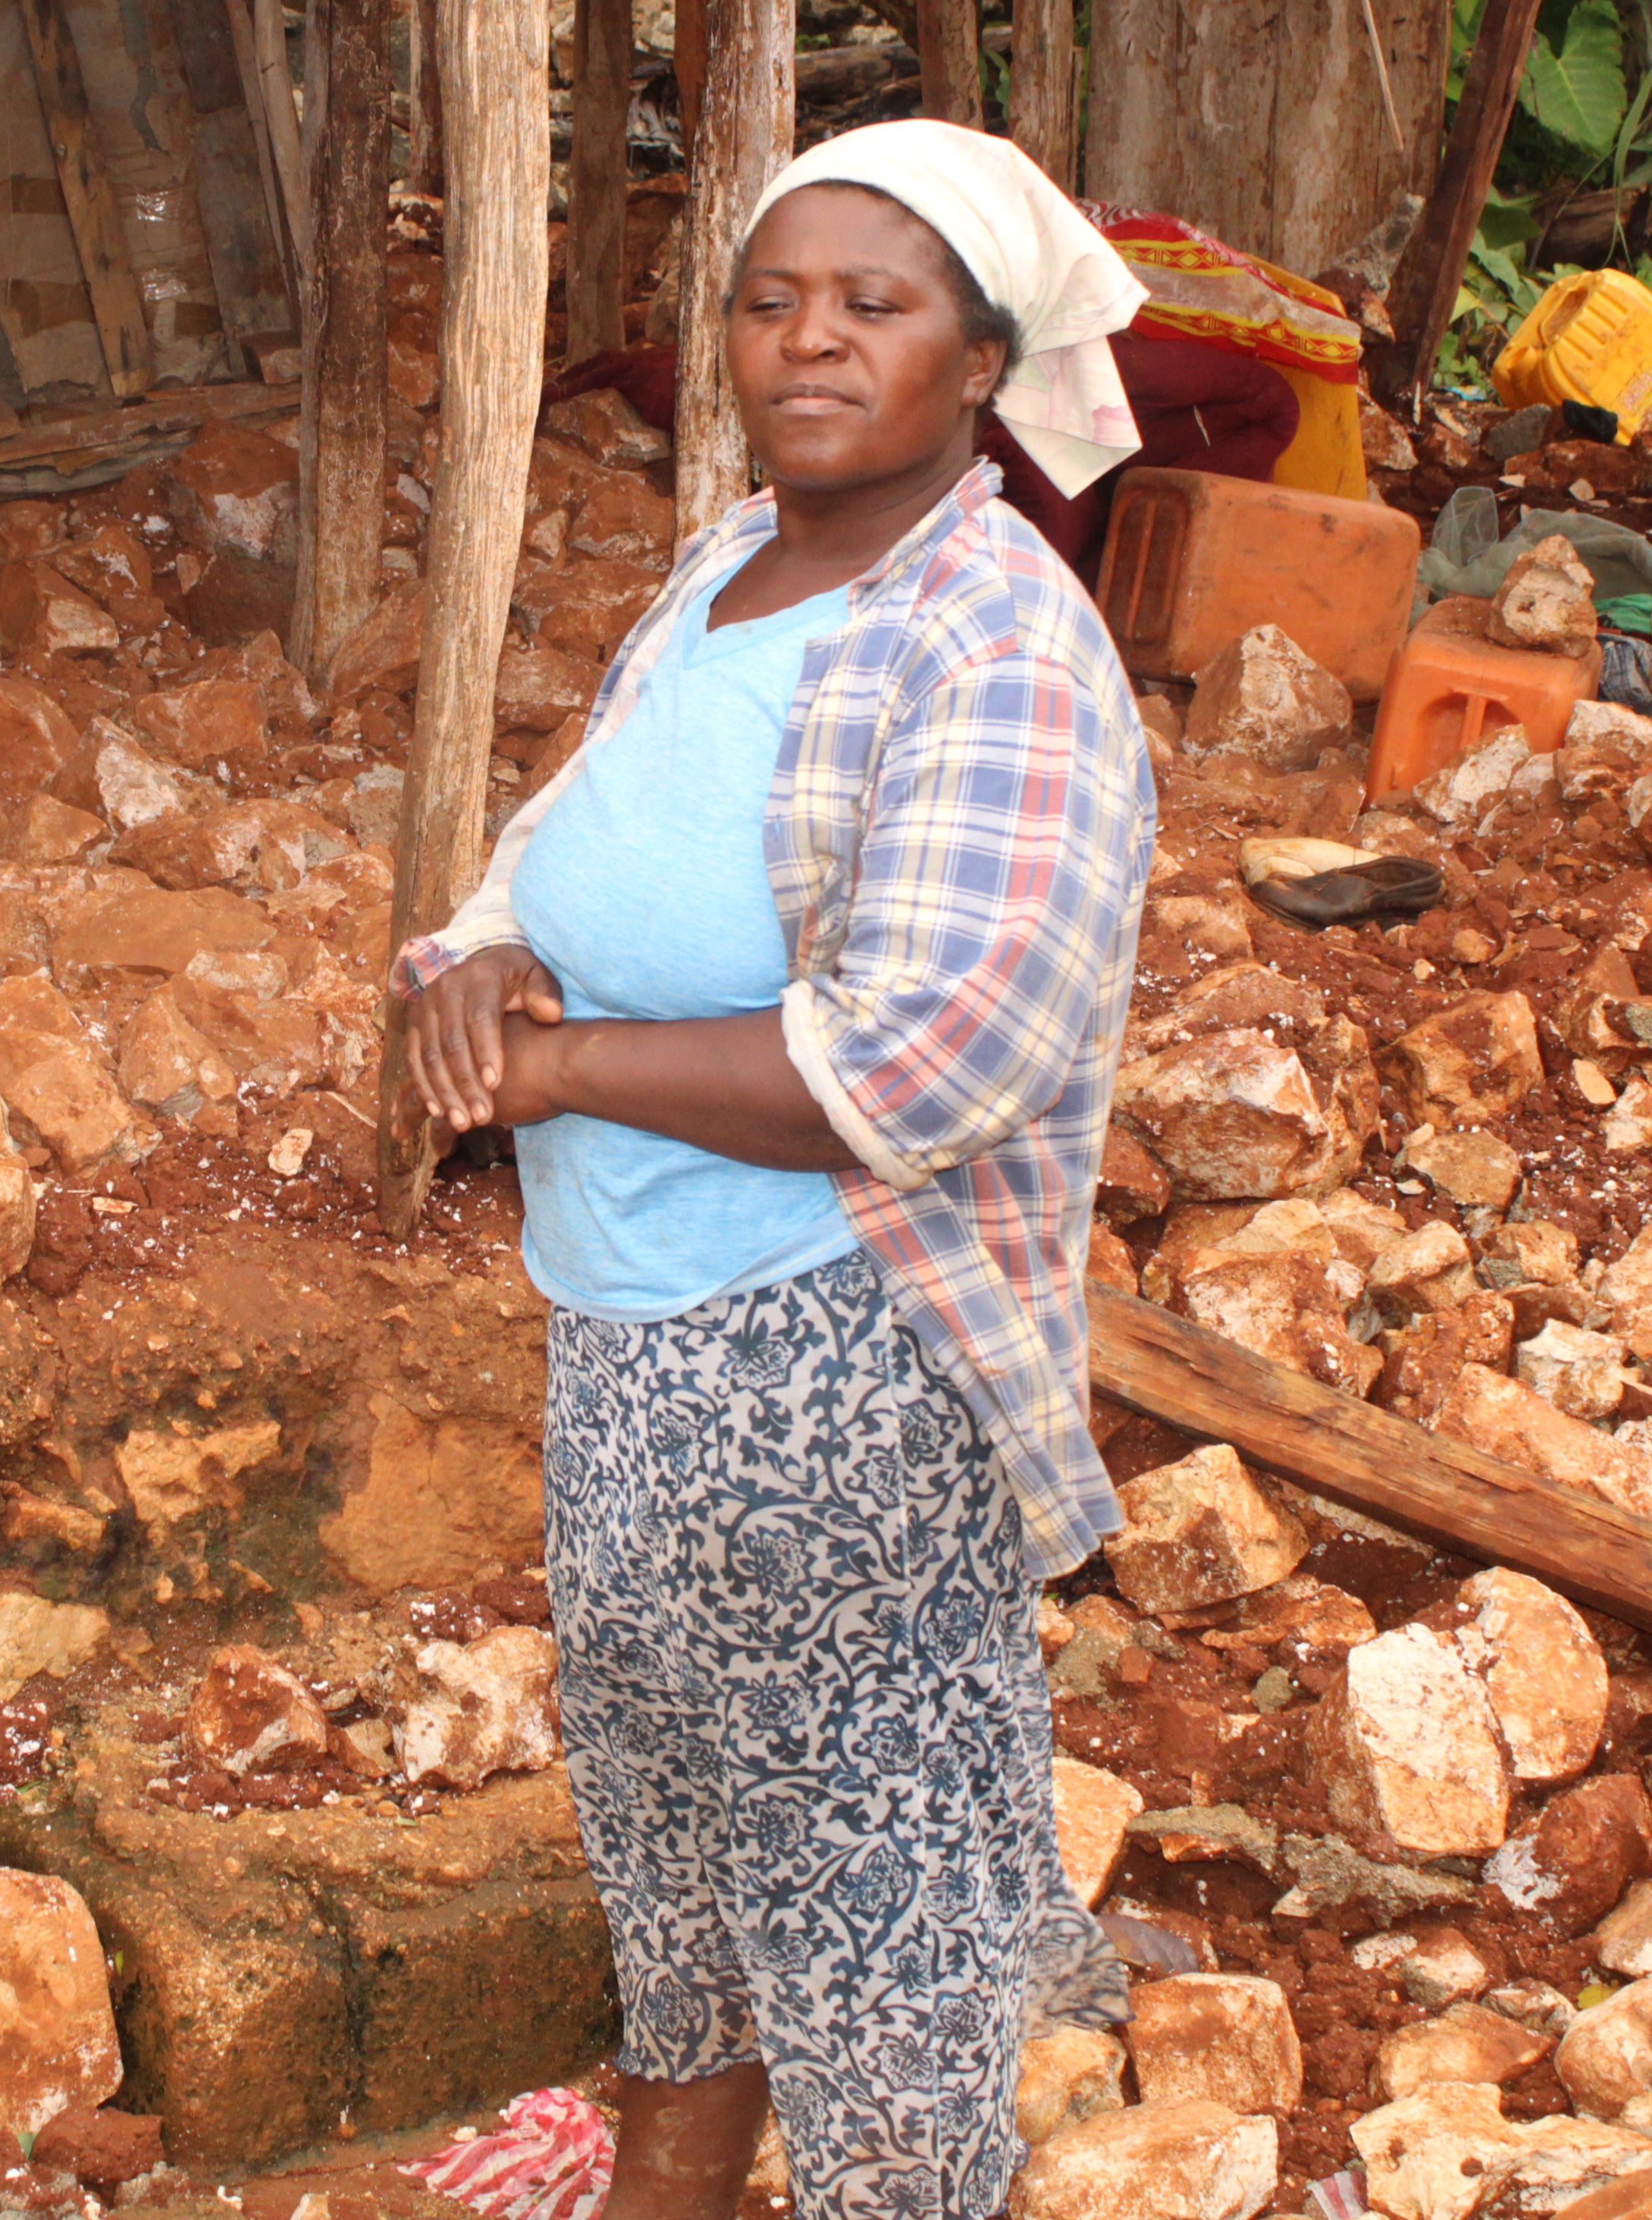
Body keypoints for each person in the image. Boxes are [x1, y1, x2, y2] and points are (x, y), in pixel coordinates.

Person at [393, 120, 1160, 2220]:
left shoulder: (999, 650)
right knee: (665, 1802)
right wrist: (482, 954)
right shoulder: (731, 561)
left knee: (866, 1871)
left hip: (830, 1352)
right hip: (631, 1338)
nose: (808, 341)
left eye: (874, 305)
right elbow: (576, 818)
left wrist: (546, 1068)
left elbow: (920, 1062)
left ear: (982, 361)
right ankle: (669, 2184)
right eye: (769, 298)